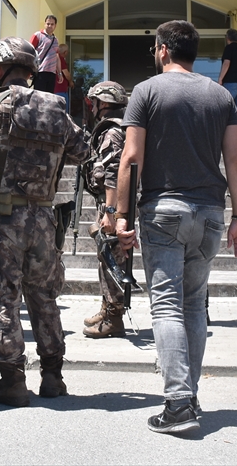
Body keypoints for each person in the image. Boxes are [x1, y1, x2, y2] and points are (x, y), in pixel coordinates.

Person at [117, 20, 237, 434]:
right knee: (194, 304)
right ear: (196, 53)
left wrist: (121, 214)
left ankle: (177, 403)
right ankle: (188, 396)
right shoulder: (220, 95)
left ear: (162, 50)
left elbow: (131, 157)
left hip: (163, 211)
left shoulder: (146, 91)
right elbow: (234, 161)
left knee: (166, 305)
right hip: (210, 213)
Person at [0, 37, 88, 406]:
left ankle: (13, 379)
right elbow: (83, 151)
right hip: (45, 218)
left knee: (3, 299)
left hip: (2, 218)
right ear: (30, 71)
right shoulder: (57, 107)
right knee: (44, 297)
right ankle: (53, 377)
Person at [81, 80, 130, 339]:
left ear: (104, 103)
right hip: (111, 203)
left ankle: (114, 317)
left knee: (112, 260)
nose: (92, 106)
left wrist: (111, 212)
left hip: (112, 204)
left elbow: (112, 173)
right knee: (106, 258)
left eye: (94, 102)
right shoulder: (118, 127)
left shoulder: (111, 132)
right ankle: (107, 307)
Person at [216, 28, 237, 126]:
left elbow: (226, 63)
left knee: (225, 104)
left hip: (231, 81)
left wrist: (220, 78)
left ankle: (223, 127)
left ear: (227, 38)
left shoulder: (229, 48)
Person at [29, 14, 59, 93]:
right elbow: (29, 52)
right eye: (48, 24)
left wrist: (59, 73)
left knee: (49, 98)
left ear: (55, 26)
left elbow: (57, 56)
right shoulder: (37, 35)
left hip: (52, 73)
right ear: (44, 24)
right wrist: (29, 70)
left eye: (52, 24)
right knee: (39, 97)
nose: (49, 26)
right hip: (40, 71)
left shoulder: (55, 40)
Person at [54, 43, 72, 112]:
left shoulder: (54, 58)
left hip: (54, 90)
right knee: (63, 113)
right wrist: (71, 82)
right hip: (60, 91)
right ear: (65, 52)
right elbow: (66, 74)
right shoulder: (60, 59)